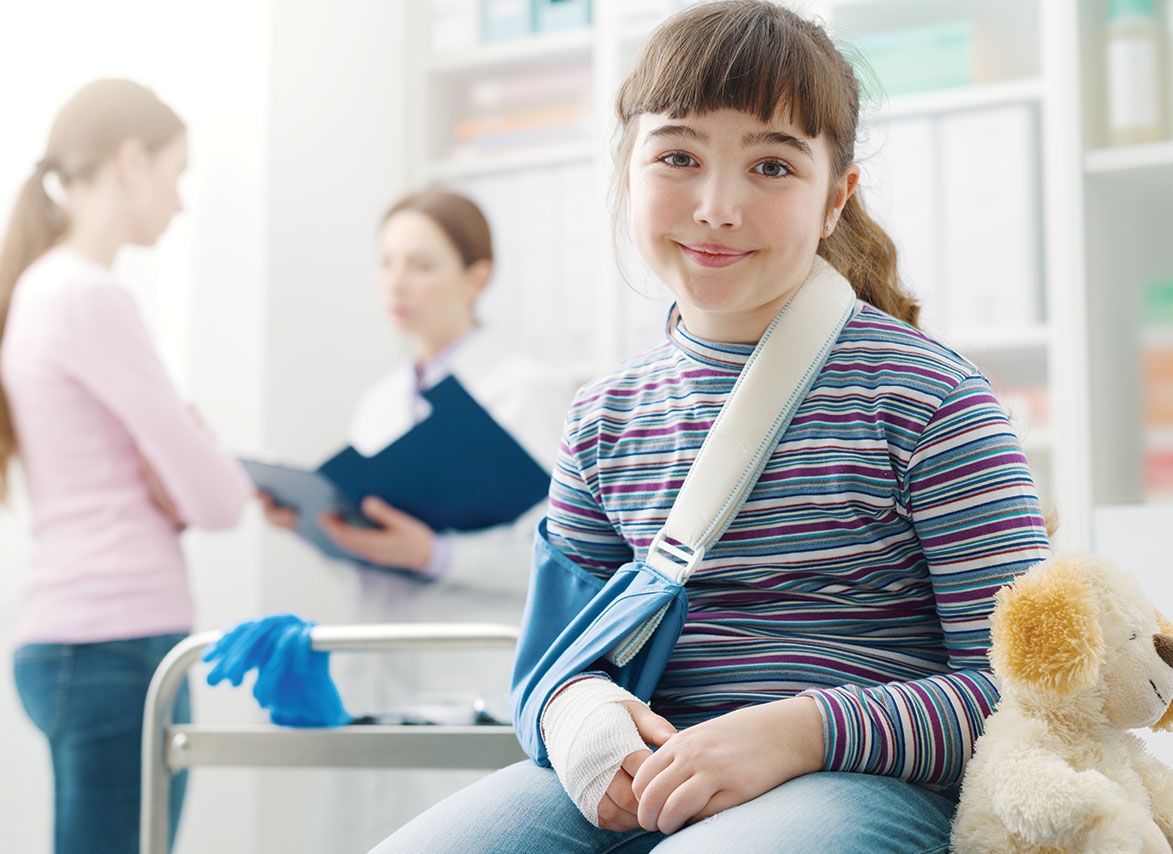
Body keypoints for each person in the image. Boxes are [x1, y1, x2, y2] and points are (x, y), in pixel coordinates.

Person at [367, 3, 1052, 852]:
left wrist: (800, 732)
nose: (716, 207)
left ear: (835, 199)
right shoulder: (599, 421)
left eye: (771, 166)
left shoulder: (929, 397)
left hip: (862, 783)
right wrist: (585, 724)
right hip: (658, 774)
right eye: (679, 157)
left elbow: (1028, 692)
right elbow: (552, 668)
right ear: (627, 172)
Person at [258, 189, 571, 845]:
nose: (397, 283)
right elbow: (374, 542)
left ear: (476, 276)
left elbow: (561, 558)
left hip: (466, 681)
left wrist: (434, 554)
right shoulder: (379, 403)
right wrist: (317, 525)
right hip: (376, 674)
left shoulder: (524, 392)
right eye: (387, 262)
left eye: (421, 264)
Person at [0, 79, 252, 854]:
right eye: (177, 173)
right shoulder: (86, 296)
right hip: (114, 645)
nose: (179, 202)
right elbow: (215, 499)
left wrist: (177, 459)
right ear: (131, 162)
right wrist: (189, 456)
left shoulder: (45, 290)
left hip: (86, 642)